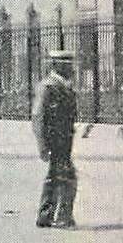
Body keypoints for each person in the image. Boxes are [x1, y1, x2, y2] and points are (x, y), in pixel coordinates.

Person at [32, 49, 79, 229]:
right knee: (68, 178)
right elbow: (38, 117)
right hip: (55, 140)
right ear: (57, 66)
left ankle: (45, 216)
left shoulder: (64, 86)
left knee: (55, 176)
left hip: (64, 140)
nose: (71, 69)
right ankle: (62, 217)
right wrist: (42, 145)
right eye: (67, 65)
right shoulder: (47, 87)